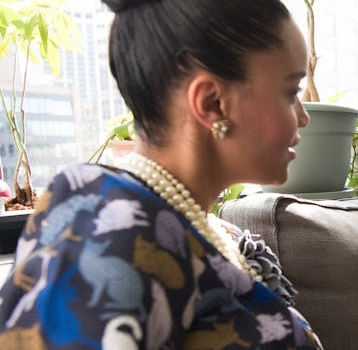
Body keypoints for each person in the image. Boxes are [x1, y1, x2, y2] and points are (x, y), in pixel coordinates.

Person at [0, 0, 323, 348]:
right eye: (291, 92)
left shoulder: (203, 230)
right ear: (212, 102)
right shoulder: (106, 226)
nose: (303, 117)